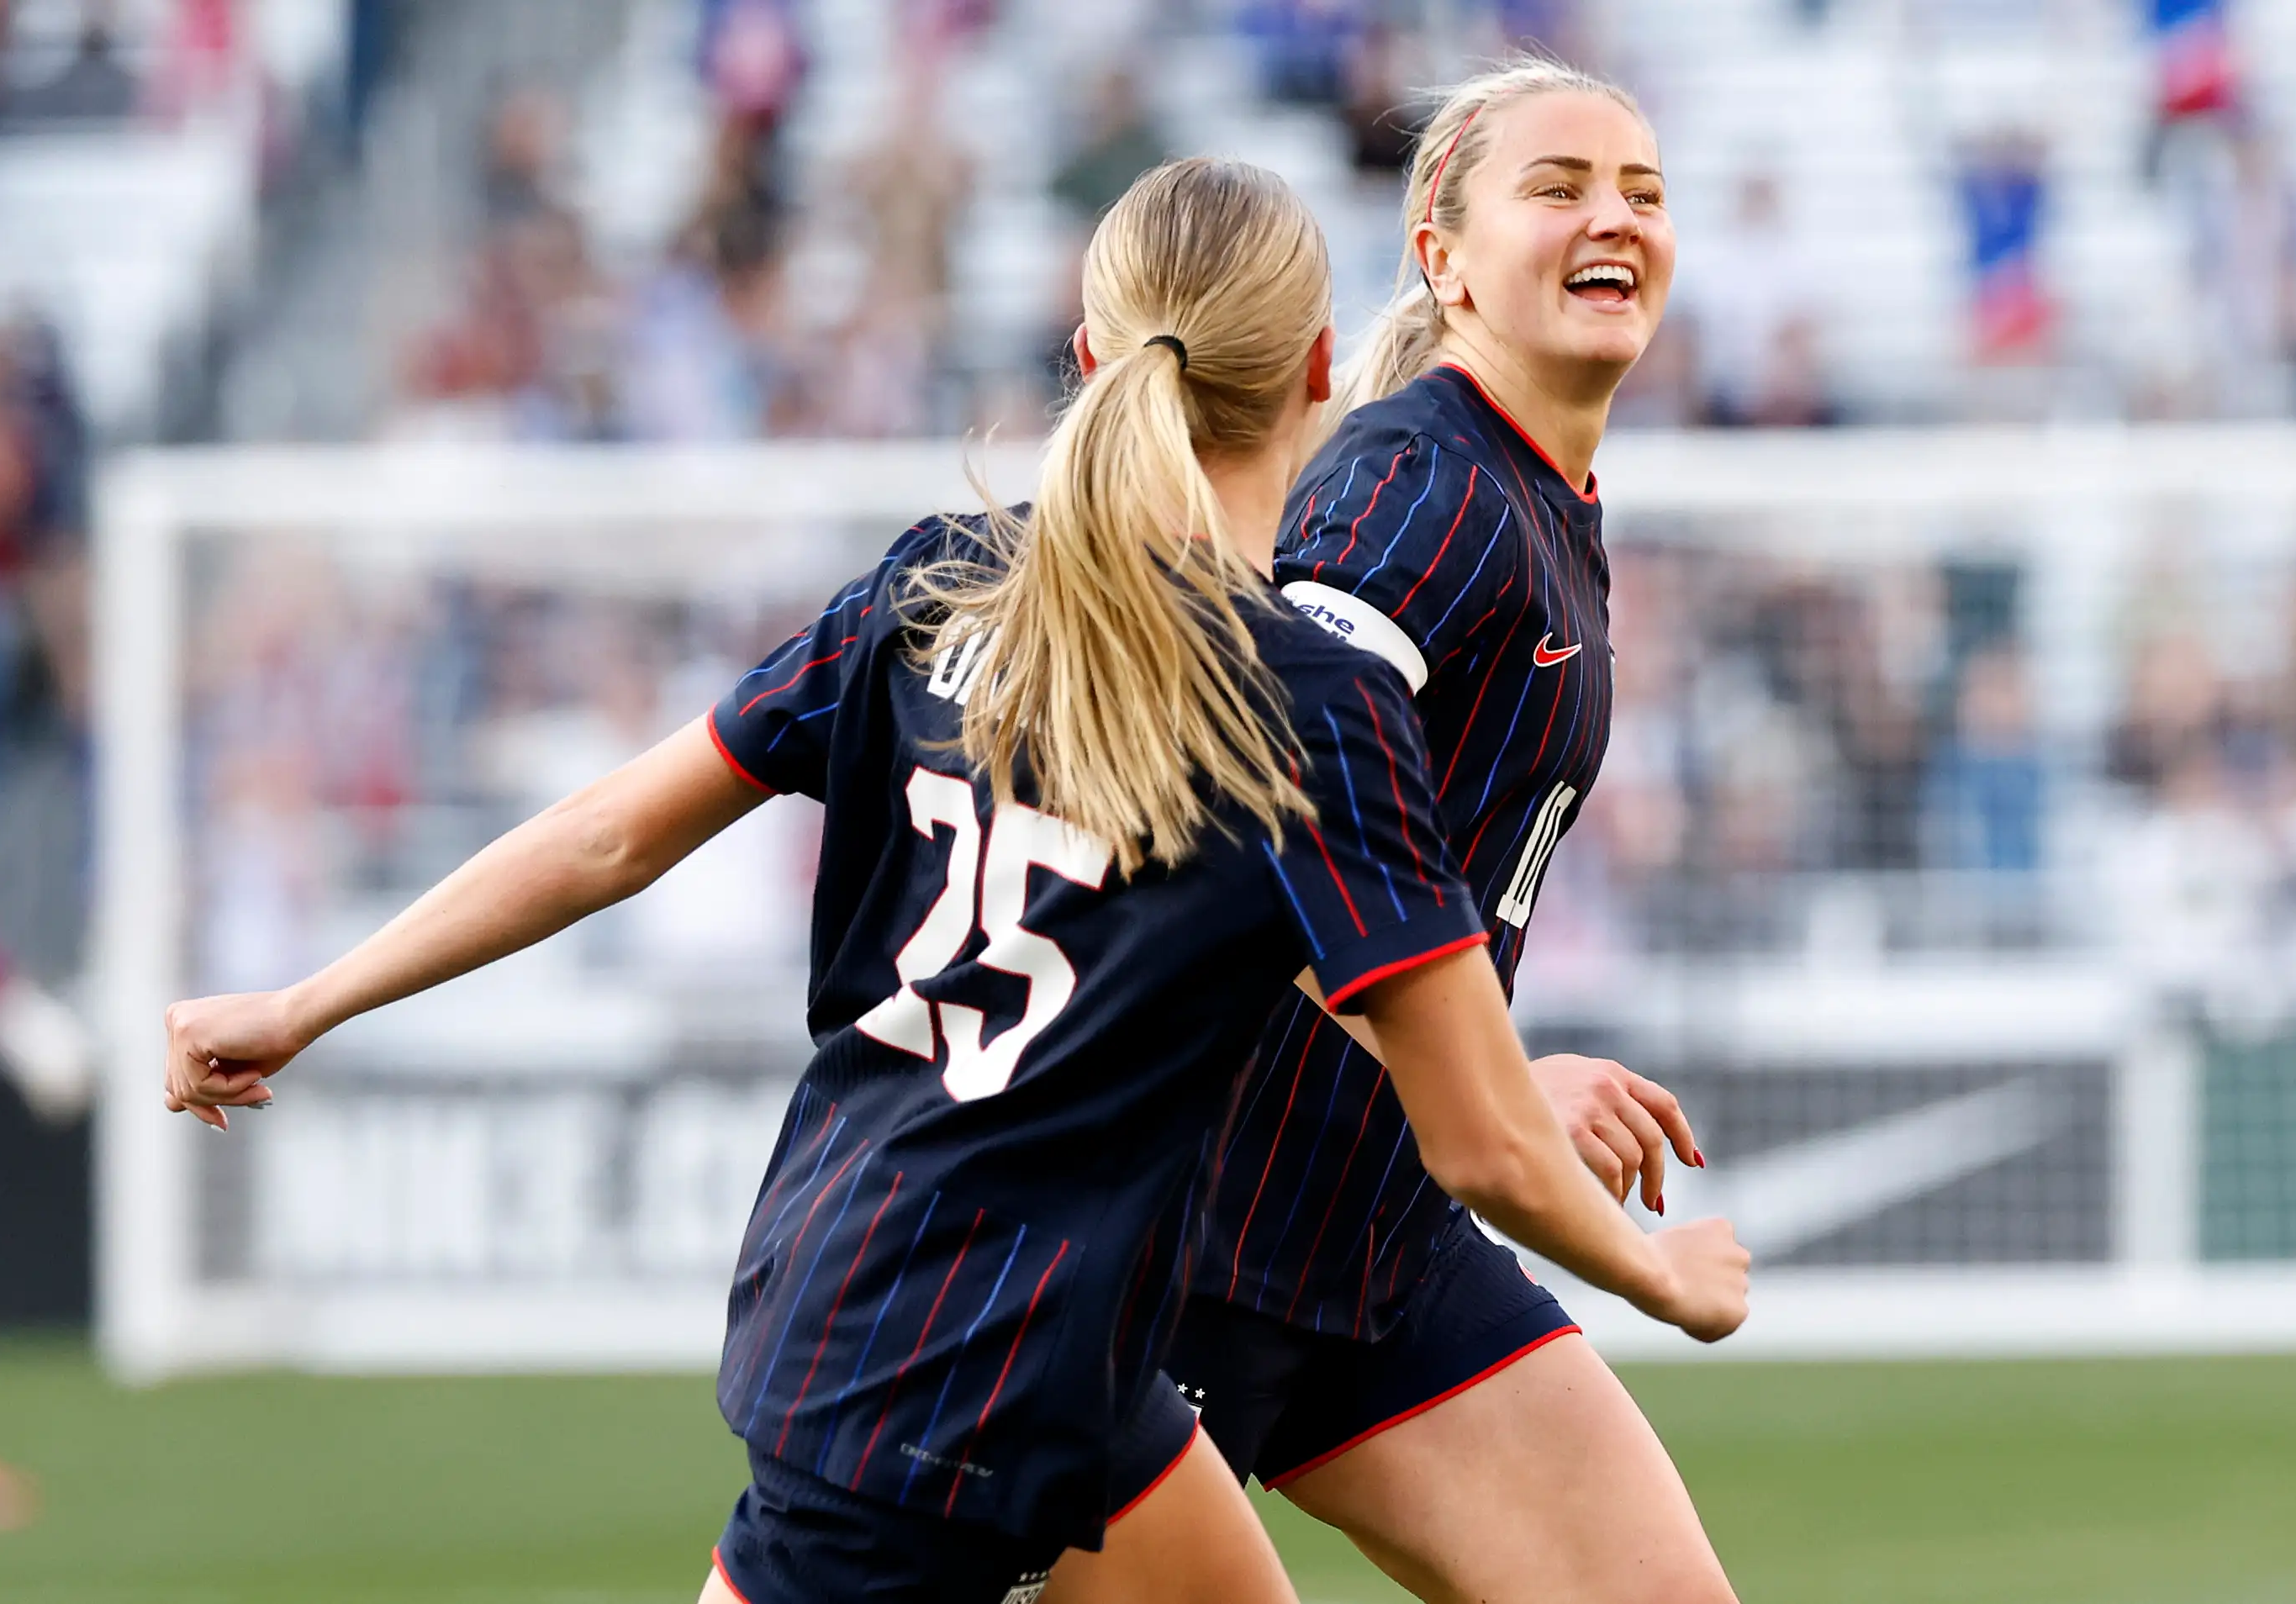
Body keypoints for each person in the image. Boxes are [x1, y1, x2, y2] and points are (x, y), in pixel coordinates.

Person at [159, 157, 1746, 1604]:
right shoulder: (1306, 705)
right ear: (1327, 372)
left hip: (912, 1292)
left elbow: (608, 837)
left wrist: (307, 1000)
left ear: (1088, 361)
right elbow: (1476, 1141)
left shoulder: (937, 583)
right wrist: (1662, 1275)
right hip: (947, 1386)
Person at [1160, 61, 1744, 1604]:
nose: (1611, 217)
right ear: (1442, 247)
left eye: (1643, 192)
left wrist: (1477, 1081)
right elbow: (1241, 838)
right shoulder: (1419, 490)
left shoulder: (1538, 491)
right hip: (1179, 1261)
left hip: (1378, 1245)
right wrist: (1496, 1078)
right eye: (1556, 188)